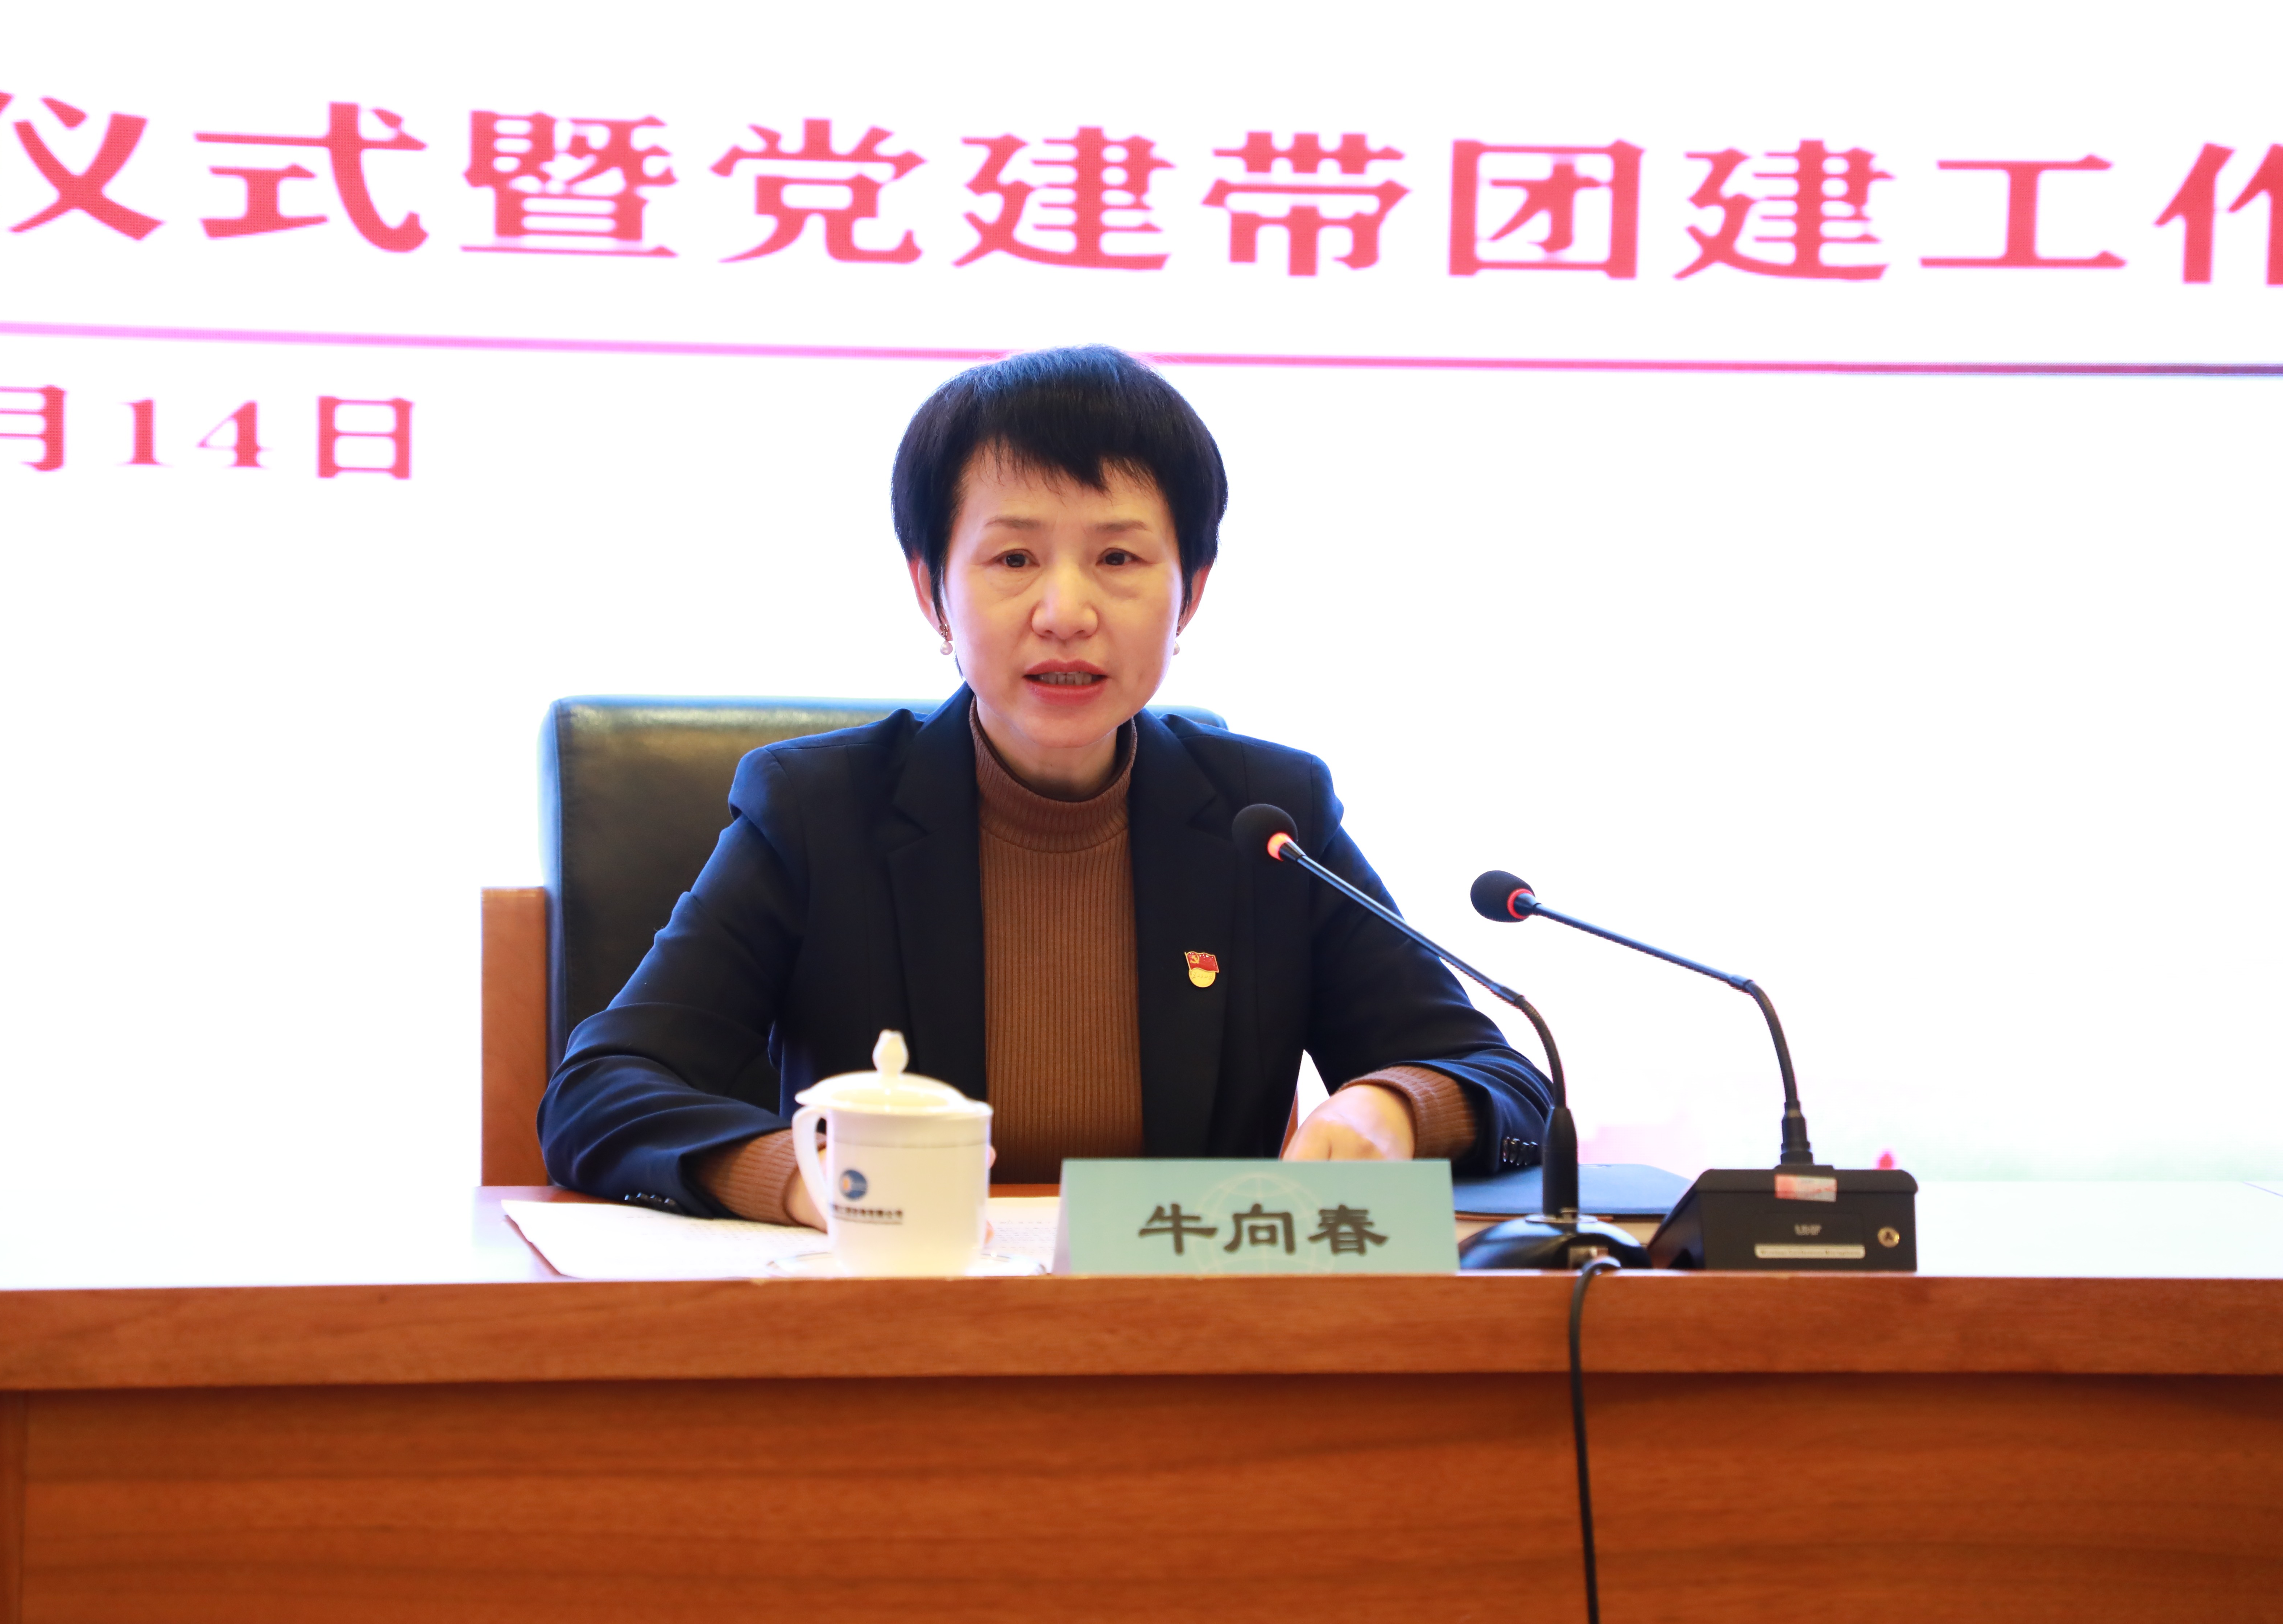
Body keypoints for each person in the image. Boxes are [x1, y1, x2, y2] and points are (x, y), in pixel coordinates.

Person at [539, 345, 1552, 1229]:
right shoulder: (818, 813)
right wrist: (807, 1179)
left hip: (1193, 1330)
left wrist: (1397, 1107)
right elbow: (601, 1090)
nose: (1065, 611)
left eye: (1118, 556)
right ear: (932, 589)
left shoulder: (1268, 818)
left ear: (1190, 592)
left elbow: (1499, 1081)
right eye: (1014, 557)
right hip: (900, 1327)